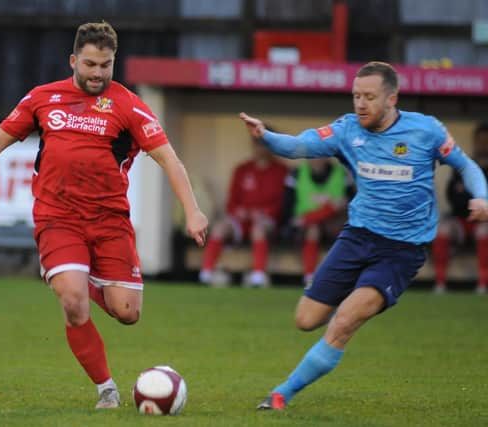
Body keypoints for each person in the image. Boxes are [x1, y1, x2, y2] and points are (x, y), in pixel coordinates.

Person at [0, 21, 208, 409]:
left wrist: (192, 212)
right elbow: (0, 135)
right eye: (91, 64)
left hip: (110, 221)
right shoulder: (43, 98)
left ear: (114, 63)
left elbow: (169, 159)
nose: (97, 73)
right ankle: (106, 389)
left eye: (106, 65)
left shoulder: (127, 104)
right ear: (74, 60)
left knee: (127, 313)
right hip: (58, 217)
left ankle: (79, 276)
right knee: (73, 302)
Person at [239, 61, 488, 411]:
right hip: (356, 239)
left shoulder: (426, 131)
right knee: (305, 320)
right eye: (356, 96)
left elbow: (466, 165)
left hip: (401, 251)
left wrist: (482, 196)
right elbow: (299, 145)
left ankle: (282, 393)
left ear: (392, 99)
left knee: (343, 321)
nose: (360, 104)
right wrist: (266, 135)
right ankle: (351, 308)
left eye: (369, 97)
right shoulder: (347, 131)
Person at [198, 134, 288, 287]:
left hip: (266, 220)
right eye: (257, 144)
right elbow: (232, 201)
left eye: (264, 144)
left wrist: (263, 213)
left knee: (258, 229)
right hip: (241, 220)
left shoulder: (281, 171)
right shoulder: (242, 169)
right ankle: (206, 274)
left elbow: (283, 204)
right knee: (220, 227)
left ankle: (258, 276)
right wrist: (239, 212)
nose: (260, 148)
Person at [432, 123, 488, 295]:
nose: (483, 145)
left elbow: (464, 196)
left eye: (486, 141)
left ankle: (482, 285)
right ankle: (440, 284)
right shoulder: (465, 167)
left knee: (484, 231)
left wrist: (468, 196)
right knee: (443, 229)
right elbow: (453, 196)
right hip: (461, 219)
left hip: (484, 221)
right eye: (480, 140)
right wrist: (468, 200)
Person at [280, 157, 353, 287]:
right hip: (303, 227)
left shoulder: (340, 173)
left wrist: (334, 208)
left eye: (320, 154)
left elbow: (351, 203)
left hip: (334, 223)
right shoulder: (297, 173)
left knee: (347, 230)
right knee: (313, 229)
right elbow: (288, 209)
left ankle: (347, 278)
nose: (317, 158)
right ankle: (310, 277)